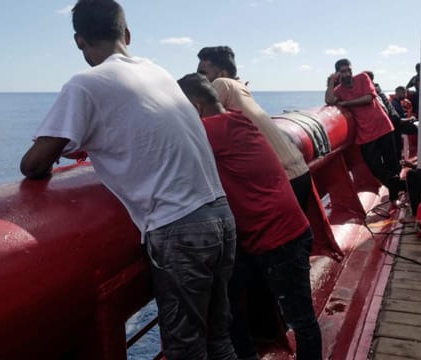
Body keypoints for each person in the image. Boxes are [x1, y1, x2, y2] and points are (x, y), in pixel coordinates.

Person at [19, 2, 237, 359]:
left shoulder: (84, 84)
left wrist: (53, 152)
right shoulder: (157, 71)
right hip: (220, 214)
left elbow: (34, 163)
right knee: (218, 339)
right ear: (128, 35)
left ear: (79, 41)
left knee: (185, 349)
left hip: (179, 228)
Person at [177, 73, 323, 360]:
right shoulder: (237, 119)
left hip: (278, 239)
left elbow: (164, 146)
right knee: (230, 302)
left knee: (301, 320)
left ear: (195, 108)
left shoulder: (210, 131)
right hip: (270, 236)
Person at [196, 46, 312, 211]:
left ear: (221, 74)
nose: (199, 80)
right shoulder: (240, 88)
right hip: (298, 172)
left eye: (203, 74)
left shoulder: (221, 84)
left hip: (283, 179)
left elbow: (195, 126)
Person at [326, 59, 402, 204]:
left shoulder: (362, 78)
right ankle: (401, 186)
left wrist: (346, 103)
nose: (347, 74)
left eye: (349, 70)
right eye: (343, 71)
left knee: (392, 163)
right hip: (365, 133)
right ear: (338, 74)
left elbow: (368, 98)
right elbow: (329, 100)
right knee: (373, 166)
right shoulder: (339, 90)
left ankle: (394, 196)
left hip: (383, 126)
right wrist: (331, 81)